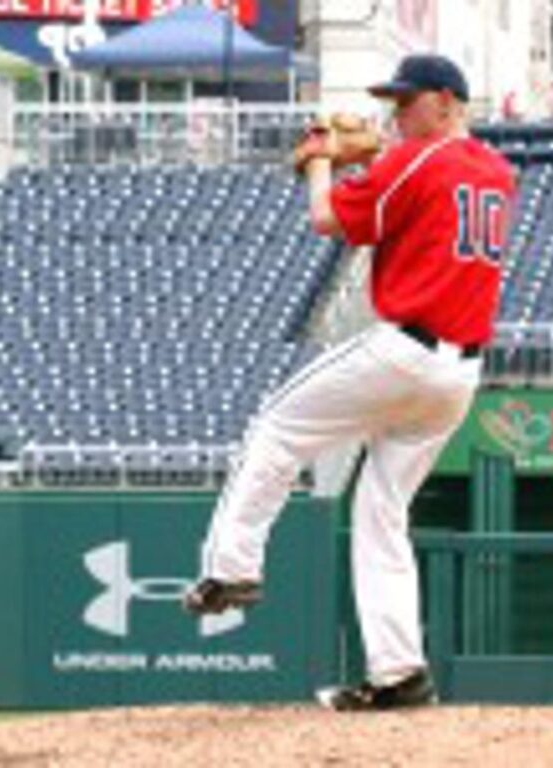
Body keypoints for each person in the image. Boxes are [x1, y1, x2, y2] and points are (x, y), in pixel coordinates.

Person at [184, 53, 517, 711]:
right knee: (382, 512)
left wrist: (318, 165)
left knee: (276, 428)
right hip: (459, 373)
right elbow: (415, 204)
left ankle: (232, 570)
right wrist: (369, 161)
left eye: (409, 100)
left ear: (448, 101)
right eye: (394, 101)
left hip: (406, 351)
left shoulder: (419, 158)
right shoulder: (497, 170)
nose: (398, 112)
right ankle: (400, 673)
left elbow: (329, 220)